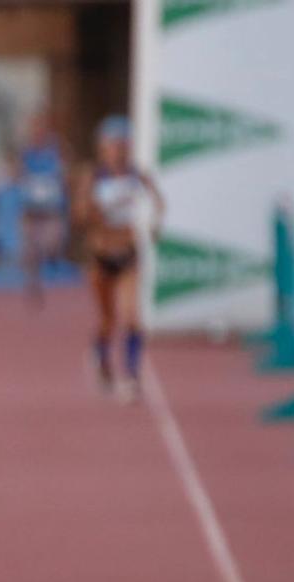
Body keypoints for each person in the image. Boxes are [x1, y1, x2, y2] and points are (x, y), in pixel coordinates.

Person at [72, 115, 164, 402]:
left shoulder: (138, 175)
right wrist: (91, 212)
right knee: (107, 321)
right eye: (114, 145)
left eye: (124, 145)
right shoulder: (93, 176)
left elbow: (159, 202)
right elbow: (78, 216)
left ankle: (133, 375)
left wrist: (154, 223)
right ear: (103, 147)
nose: (119, 150)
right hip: (100, 256)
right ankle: (102, 360)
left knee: (132, 317)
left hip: (128, 254)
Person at [15, 111, 69, 307]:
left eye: (41, 128)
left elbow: (64, 172)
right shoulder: (24, 150)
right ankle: (33, 285)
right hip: (31, 207)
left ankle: (53, 257)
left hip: (51, 207)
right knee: (30, 251)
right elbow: (16, 172)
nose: (37, 132)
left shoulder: (56, 148)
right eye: (34, 128)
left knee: (52, 243)